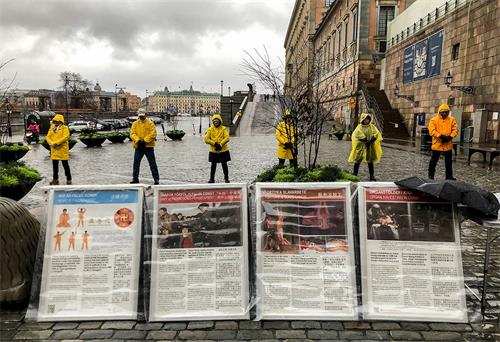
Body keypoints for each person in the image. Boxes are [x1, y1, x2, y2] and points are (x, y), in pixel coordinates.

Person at [348, 113, 382, 181]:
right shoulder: (359, 127)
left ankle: (372, 176)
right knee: (357, 160)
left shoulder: (372, 127)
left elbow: (376, 134)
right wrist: (364, 140)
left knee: (370, 161)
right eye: (365, 119)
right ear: (362, 119)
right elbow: (356, 135)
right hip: (361, 146)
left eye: (368, 119)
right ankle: (355, 174)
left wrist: (370, 141)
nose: (366, 120)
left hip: (370, 146)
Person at [428, 103, 458, 180]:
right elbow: (431, 131)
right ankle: (431, 176)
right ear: (439, 112)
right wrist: (441, 136)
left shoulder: (452, 120)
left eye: (446, 112)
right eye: (443, 112)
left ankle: (449, 176)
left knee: (448, 162)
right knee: (433, 161)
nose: (444, 113)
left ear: (448, 112)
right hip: (437, 144)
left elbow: (455, 130)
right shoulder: (434, 120)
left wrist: (450, 137)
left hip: (447, 144)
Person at [130, 108, 160, 184]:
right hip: (138, 146)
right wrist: (138, 140)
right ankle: (135, 178)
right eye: (140, 116)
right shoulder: (135, 124)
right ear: (138, 115)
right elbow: (132, 134)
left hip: (148, 147)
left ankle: (156, 179)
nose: (141, 117)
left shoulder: (150, 123)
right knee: (136, 163)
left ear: (145, 115)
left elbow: (153, 134)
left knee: (152, 163)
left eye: (142, 116)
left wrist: (145, 140)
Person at [46, 114, 72, 185]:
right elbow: (48, 137)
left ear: (61, 121)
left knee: (65, 165)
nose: (56, 122)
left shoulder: (65, 128)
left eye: (57, 121)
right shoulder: (52, 128)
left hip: (62, 149)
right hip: (54, 149)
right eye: (55, 121)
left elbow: (65, 137)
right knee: (55, 165)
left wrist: (56, 143)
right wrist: (51, 143)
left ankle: (69, 179)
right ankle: (55, 179)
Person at [204, 114, 230, 183]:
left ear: (220, 121)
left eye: (217, 121)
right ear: (213, 122)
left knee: (224, 165)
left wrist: (221, 144)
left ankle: (226, 178)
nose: (216, 122)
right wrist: (214, 144)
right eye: (214, 121)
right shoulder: (210, 129)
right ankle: (211, 179)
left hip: (223, 150)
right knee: (213, 165)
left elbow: (227, 138)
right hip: (213, 150)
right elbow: (206, 139)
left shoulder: (224, 129)